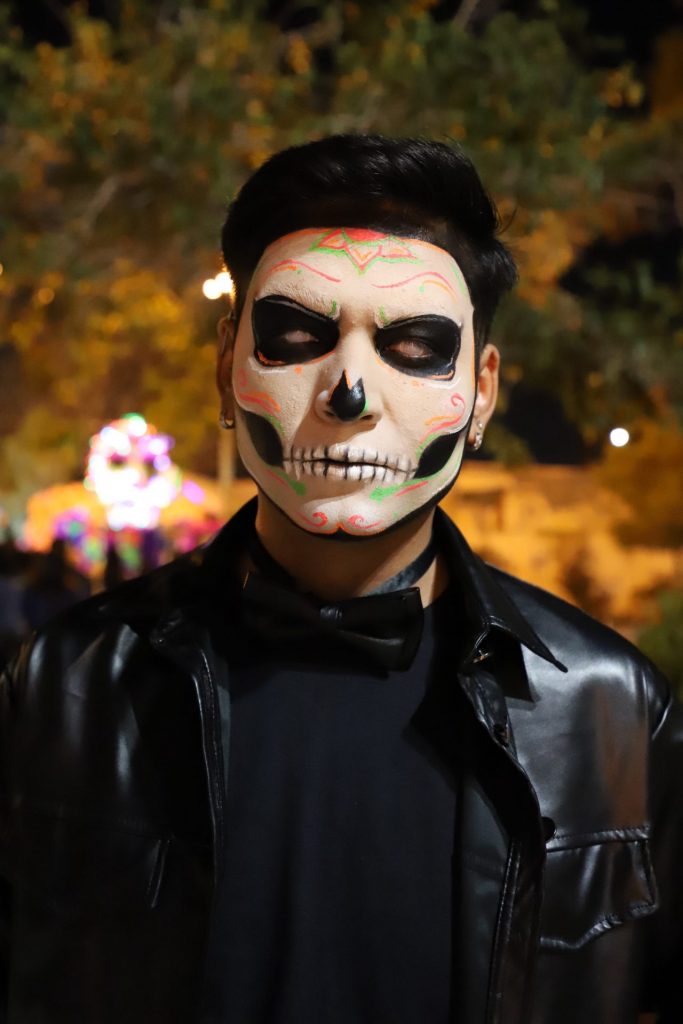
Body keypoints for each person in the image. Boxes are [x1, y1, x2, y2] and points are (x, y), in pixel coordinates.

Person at [1, 135, 681, 1024]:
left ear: (480, 392)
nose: (349, 390)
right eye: (295, 337)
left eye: (415, 345)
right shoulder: (63, 685)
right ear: (225, 367)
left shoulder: (609, 711)